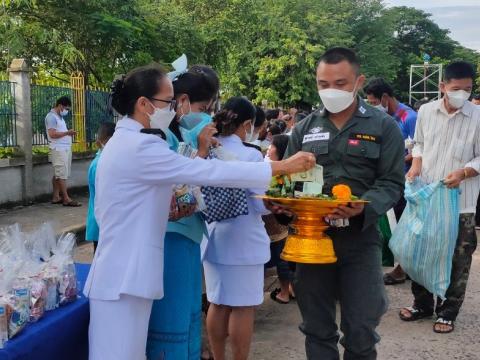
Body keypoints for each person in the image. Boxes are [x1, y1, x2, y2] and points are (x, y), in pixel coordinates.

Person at [83, 64, 315, 360]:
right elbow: (208, 171)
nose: (176, 110)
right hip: (122, 277)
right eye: (169, 102)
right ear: (143, 104)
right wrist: (280, 166)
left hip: (127, 275)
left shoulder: (133, 141)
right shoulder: (138, 146)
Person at [270, 47, 404, 359]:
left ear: (359, 81)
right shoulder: (304, 129)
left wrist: (365, 206)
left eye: (340, 83)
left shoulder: (383, 127)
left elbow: (392, 182)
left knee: (361, 329)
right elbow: (288, 181)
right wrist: (284, 204)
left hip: (359, 240)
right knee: (317, 329)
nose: (331, 91)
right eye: (323, 84)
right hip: (312, 240)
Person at [400, 61, 480, 334]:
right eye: (456, 88)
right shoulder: (425, 111)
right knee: (421, 250)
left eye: (468, 89)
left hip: (461, 201)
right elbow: (419, 142)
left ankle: (448, 311)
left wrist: (465, 171)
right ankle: (422, 303)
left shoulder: (477, 116)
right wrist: (417, 163)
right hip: (428, 195)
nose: (463, 94)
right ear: (442, 86)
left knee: (459, 257)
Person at [147, 64, 220, 360]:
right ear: (183, 101)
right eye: (204, 107)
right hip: (170, 240)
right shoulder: (159, 138)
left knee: (190, 314)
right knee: (171, 320)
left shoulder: (180, 135)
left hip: (187, 238)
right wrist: (202, 152)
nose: (207, 114)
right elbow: (176, 191)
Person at [204, 97, 271, 360]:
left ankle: (218, 357)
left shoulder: (208, 149)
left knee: (217, 302)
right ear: (247, 124)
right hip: (244, 242)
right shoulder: (251, 155)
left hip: (213, 238)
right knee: (243, 307)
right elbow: (262, 204)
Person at [365, 77, 418, 285]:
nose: (372, 106)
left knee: (402, 226)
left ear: (385, 97)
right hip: (386, 178)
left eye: (373, 102)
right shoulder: (383, 117)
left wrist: (392, 160)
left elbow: (419, 151)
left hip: (405, 180)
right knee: (391, 225)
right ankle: (398, 266)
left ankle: (401, 269)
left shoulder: (409, 117)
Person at [264, 134, 295, 304]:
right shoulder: (289, 171)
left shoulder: (274, 172)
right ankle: (289, 289)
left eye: (272, 145)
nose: (269, 148)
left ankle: (284, 292)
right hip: (280, 225)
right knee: (283, 257)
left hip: (274, 225)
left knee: (281, 258)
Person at [45, 96, 81, 207]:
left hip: (64, 148)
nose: (67, 111)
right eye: (67, 109)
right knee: (61, 174)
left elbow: (59, 132)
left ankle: (56, 197)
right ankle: (66, 198)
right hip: (58, 149)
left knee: (59, 173)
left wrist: (68, 133)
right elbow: (52, 134)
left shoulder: (59, 117)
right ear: (60, 106)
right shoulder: (51, 117)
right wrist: (67, 133)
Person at [85, 122, 116, 253]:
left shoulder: (107, 161)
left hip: (105, 223)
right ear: (100, 143)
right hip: (101, 224)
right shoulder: (99, 164)